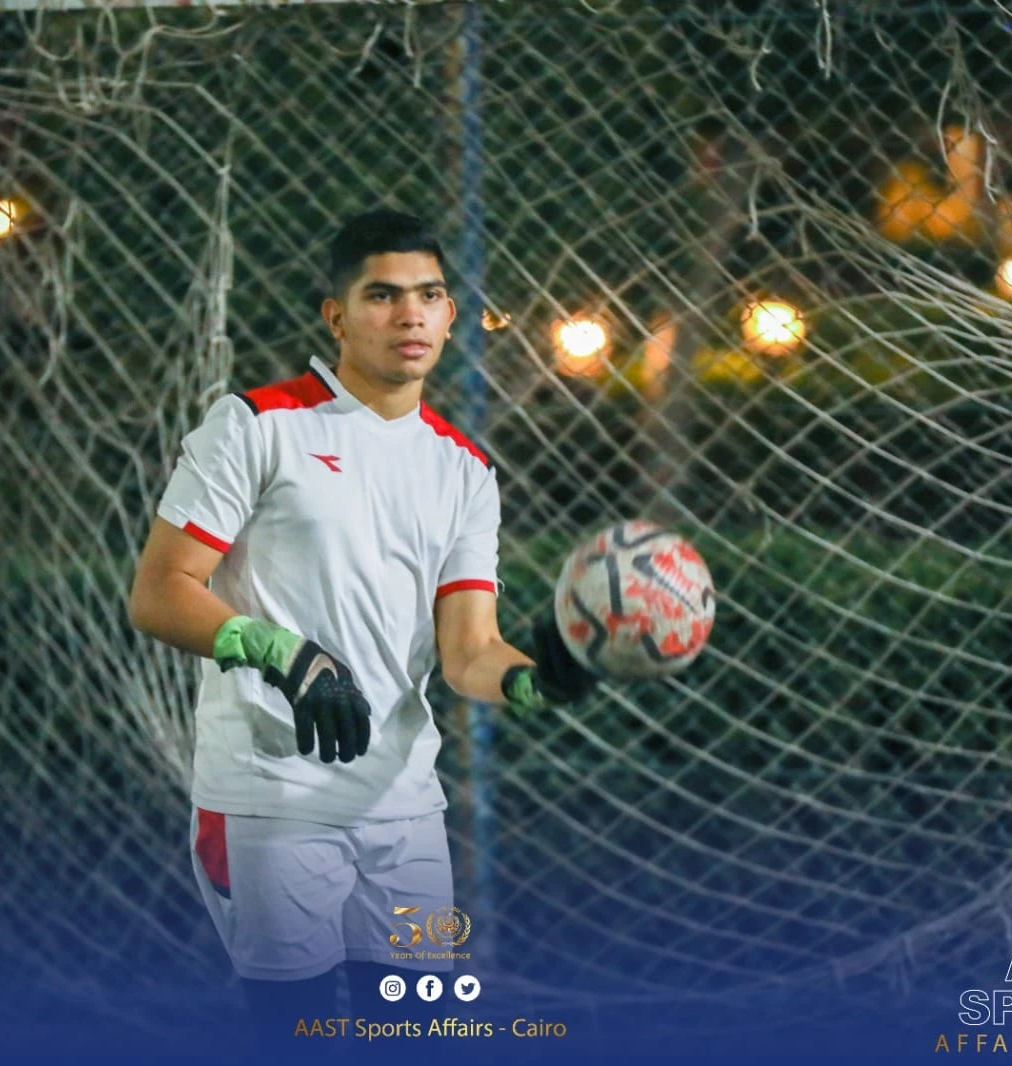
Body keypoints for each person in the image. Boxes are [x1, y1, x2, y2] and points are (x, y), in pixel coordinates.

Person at [127, 210, 596, 1040]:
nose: (409, 315)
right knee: (296, 1038)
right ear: (336, 316)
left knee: (416, 1037)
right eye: (382, 295)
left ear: (452, 315)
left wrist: (531, 681)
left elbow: (468, 651)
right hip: (272, 800)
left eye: (429, 296)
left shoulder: (464, 469)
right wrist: (283, 654)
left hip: (405, 808)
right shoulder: (258, 425)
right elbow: (162, 590)